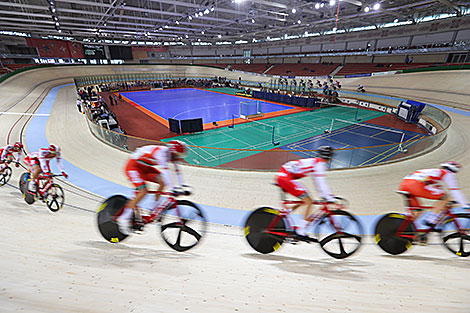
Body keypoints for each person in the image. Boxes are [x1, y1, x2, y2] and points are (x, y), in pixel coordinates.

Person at [117, 140, 188, 235]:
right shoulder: (162, 153)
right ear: (173, 152)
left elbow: (177, 171)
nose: (179, 158)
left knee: (162, 182)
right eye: (179, 155)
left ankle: (153, 208)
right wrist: (172, 189)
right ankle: (123, 218)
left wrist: (183, 186)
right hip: (133, 166)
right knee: (143, 191)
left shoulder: (172, 156)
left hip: (145, 168)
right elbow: (166, 171)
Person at [275, 146, 336, 241]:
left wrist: (326, 195)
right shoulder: (320, 163)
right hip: (285, 177)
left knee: (305, 200)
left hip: (285, 175)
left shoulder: (316, 161)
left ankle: (287, 213)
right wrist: (328, 197)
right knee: (309, 201)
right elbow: (320, 182)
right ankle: (300, 231)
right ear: (329, 157)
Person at [398, 162, 469, 226]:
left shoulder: (434, 172)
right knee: (445, 197)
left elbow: (438, 187)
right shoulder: (447, 173)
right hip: (415, 185)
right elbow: (454, 190)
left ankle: (409, 229)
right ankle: (431, 219)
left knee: (417, 212)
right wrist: (464, 205)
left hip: (404, 184)